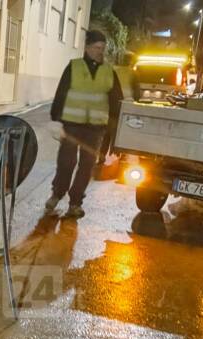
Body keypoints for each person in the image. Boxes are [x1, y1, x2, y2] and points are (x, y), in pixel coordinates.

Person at [47, 30, 124, 218]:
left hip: (96, 129)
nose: (100, 52)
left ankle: (75, 203)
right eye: (97, 48)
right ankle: (57, 194)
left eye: (103, 48)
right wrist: (55, 119)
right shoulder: (73, 67)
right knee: (66, 163)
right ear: (87, 47)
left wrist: (115, 132)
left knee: (86, 166)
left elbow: (116, 102)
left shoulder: (108, 72)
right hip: (72, 126)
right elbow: (61, 94)